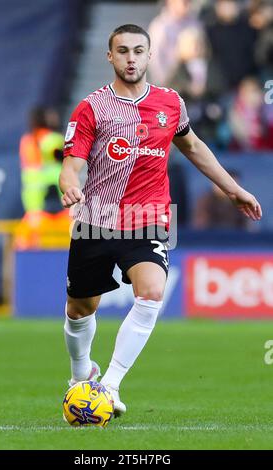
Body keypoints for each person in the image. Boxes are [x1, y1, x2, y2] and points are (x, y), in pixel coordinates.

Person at [59, 24, 262, 418]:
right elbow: (72, 164)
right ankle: (81, 373)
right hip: (95, 219)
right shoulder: (91, 108)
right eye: (122, 51)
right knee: (79, 308)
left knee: (151, 292)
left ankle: (110, 386)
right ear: (110, 56)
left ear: (150, 56)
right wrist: (69, 184)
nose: (131, 58)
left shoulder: (170, 103)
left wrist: (231, 189)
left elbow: (194, 146)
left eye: (138, 51)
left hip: (148, 218)